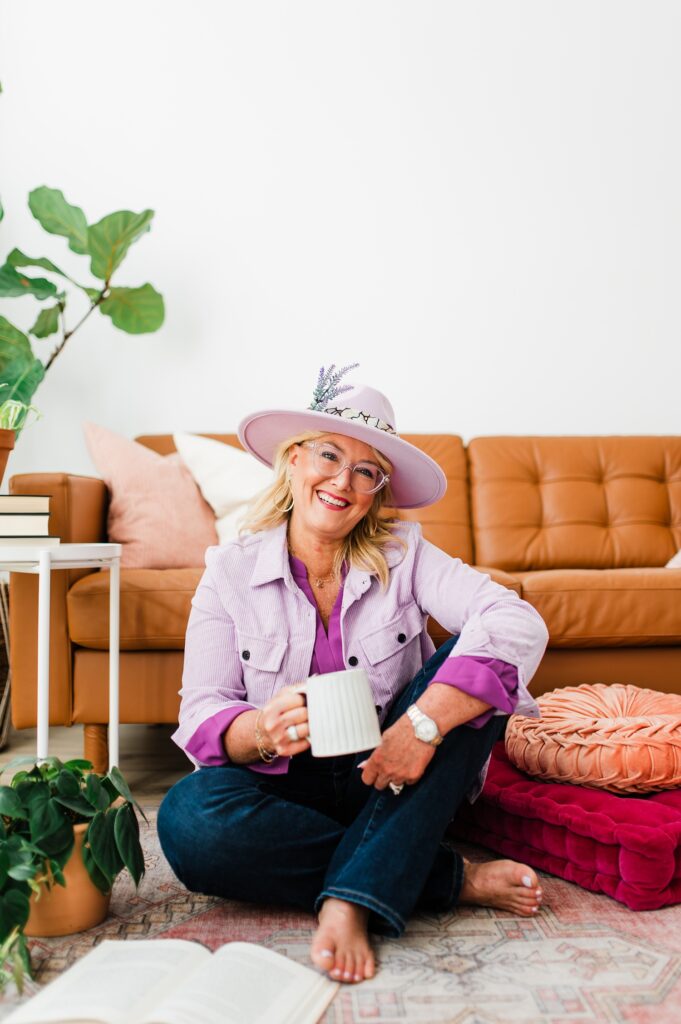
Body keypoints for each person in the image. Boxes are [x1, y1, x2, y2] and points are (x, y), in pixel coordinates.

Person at [158, 366, 549, 985]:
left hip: (393, 770)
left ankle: (347, 900)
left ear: (377, 490)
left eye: (366, 470)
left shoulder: (407, 553)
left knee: (478, 672)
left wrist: (420, 726)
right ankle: (442, 874)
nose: (342, 481)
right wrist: (259, 729)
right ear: (292, 461)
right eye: (329, 455)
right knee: (188, 821)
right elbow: (203, 711)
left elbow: (516, 621)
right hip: (284, 784)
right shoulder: (228, 570)